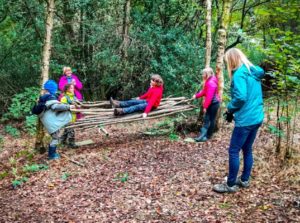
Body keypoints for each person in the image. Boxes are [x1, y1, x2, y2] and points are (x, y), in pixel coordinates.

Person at [213, 48, 265, 193]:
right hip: (257, 117)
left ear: (231, 60)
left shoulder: (240, 74)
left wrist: (230, 109)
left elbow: (241, 97)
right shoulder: (253, 72)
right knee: (247, 148)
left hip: (246, 120)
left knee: (233, 150)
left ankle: (229, 185)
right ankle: (244, 180)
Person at [38, 80, 75, 160]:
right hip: (51, 122)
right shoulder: (50, 97)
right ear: (52, 89)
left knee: (56, 137)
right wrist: (68, 107)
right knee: (56, 138)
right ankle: (52, 155)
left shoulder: (43, 98)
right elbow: (55, 107)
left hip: (49, 121)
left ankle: (53, 153)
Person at [192, 67, 220, 142]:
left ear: (208, 74)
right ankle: (202, 135)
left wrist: (205, 107)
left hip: (214, 104)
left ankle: (207, 136)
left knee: (211, 119)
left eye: (204, 73)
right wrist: (196, 96)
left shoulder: (211, 83)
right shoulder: (209, 80)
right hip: (212, 103)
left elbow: (209, 97)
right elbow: (204, 92)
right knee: (207, 119)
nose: (202, 75)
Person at [60, 84, 80, 148]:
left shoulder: (74, 97)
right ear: (67, 89)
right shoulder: (64, 98)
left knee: (67, 130)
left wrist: (78, 106)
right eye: (71, 88)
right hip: (67, 117)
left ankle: (62, 141)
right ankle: (71, 143)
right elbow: (62, 107)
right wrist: (70, 107)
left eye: (73, 88)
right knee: (71, 130)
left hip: (73, 116)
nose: (73, 89)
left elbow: (78, 105)